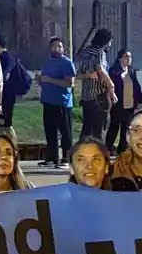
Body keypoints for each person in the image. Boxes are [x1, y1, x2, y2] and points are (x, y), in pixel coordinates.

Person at [37, 38, 76, 167]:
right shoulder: (47, 62)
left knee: (65, 132)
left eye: (59, 46)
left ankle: (66, 158)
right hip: (48, 101)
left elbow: (70, 83)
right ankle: (52, 157)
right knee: (50, 131)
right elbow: (44, 80)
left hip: (62, 102)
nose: (57, 49)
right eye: (54, 46)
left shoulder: (67, 63)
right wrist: (40, 80)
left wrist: (50, 80)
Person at [74, 28, 115, 141]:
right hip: (99, 96)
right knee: (99, 128)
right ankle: (98, 153)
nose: (110, 44)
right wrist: (111, 87)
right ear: (106, 41)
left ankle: (80, 152)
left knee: (87, 127)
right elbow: (101, 71)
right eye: (110, 41)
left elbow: (77, 74)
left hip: (86, 96)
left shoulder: (85, 52)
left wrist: (87, 76)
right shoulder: (99, 53)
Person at [105, 49, 142, 152]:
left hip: (130, 103)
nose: (129, 59)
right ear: (120, 58)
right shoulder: (114, 70)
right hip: (118, 103)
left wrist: (139, 100)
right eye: (126, 57)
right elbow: (112, 85)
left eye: (130, 57)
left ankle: (123, 146)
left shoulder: (131, 70)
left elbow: (136, 86)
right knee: (115, 125)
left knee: (126, 126)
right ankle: (108, 145)